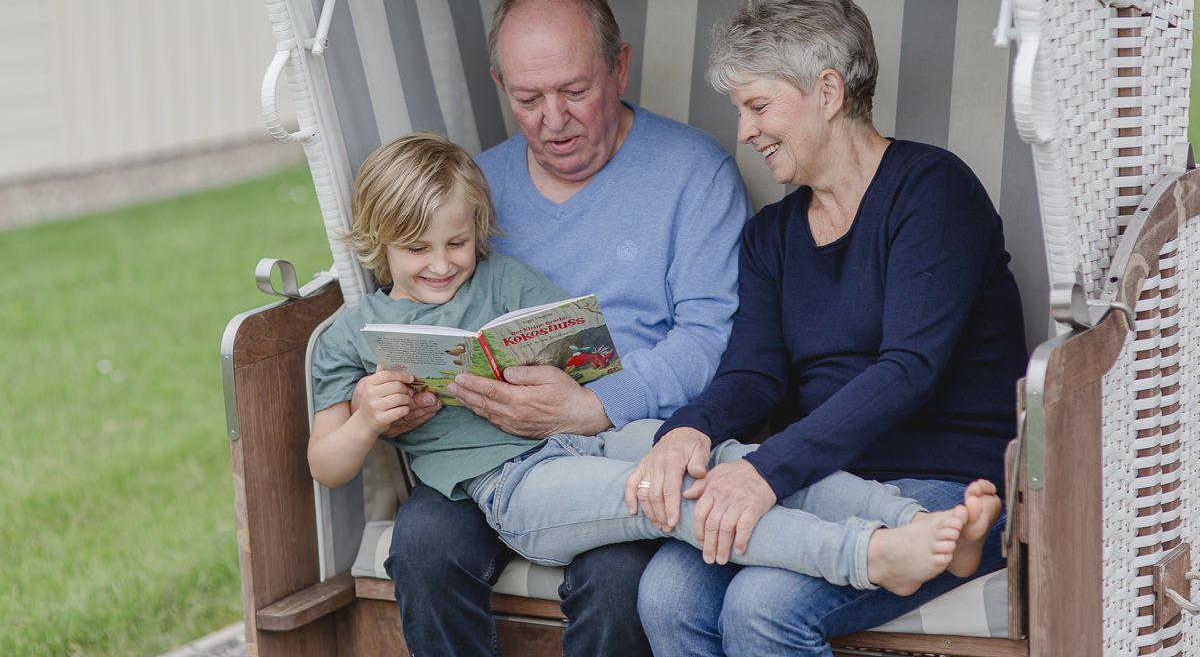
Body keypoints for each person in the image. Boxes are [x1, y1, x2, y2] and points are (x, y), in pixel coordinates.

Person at [311, 133, 1001, 606]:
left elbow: (582, 350)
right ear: (377, 243)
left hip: (588, 437)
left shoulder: (503, 281)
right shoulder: (351, 335)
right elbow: (326, 462)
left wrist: (547, 375)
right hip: (515, 486)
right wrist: (372, 417)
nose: (441, 264)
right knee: (672, 499)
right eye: (416, 250)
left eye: (457, 241)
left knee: (728, 460)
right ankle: (869, 554)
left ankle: (918, 523)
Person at [631, 0, 1026, 656]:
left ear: (828, 91)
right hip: (820, 477)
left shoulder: (933, 192)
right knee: (666, 594)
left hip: (945, 480)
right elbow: (753, 375)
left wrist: (765, 472)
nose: (745, 131)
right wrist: (687, 432)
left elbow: (909, 370)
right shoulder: (771, 236)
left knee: (761, 608)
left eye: (757, 106)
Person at [371, 0, 752, 656]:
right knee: (423, 546)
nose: (554, 119)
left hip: (625, 444)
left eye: (576, 91)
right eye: (528, 98)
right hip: (488, 451)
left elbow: (714, 340)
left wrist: (589, 407)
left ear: (620, 65)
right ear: (499, 85)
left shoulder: (695, 172)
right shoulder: (472, 188)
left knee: (615, 584)